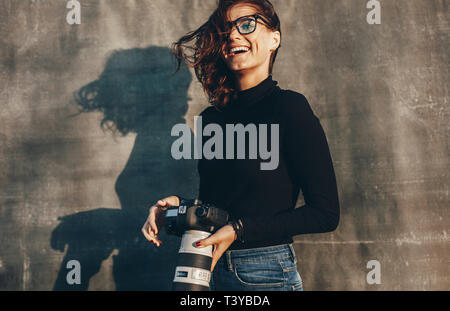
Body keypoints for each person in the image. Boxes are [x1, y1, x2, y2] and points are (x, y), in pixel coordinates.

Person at [141, 0, 340, 291]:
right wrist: (180, 209)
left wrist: (238, 230)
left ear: (275, 38)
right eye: (224, 30)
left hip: (265, 273)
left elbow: (325, 213)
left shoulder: (290, 108)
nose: (233, 35)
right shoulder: (211, 119)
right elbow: (226, 208)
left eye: (246, 24)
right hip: (204, 267)